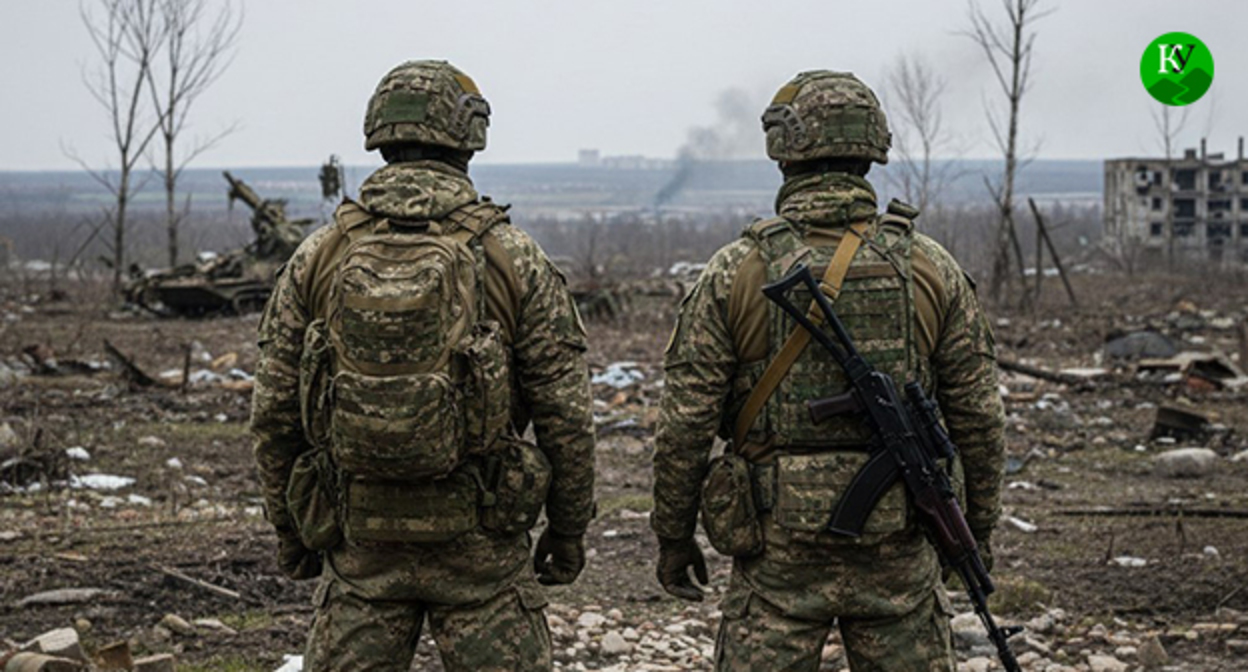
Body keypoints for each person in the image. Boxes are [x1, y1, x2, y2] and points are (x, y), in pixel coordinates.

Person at [651, 70, 1006, 671]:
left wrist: (674, 535)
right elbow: (979, 417)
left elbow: (684, 425)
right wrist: (977, 529)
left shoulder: (735, 271)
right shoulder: (929, 267)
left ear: (783, 150)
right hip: (900, 548)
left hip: (777, 552)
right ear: (872, 149)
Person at [251, 60, 595, 672]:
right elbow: (565, 416)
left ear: (380, 134)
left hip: (361, 549)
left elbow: (275, 413)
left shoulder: (319, 254)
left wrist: (291, 532)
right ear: (468, 137)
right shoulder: (511, 255)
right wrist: (566, 533)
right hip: (482, 547)